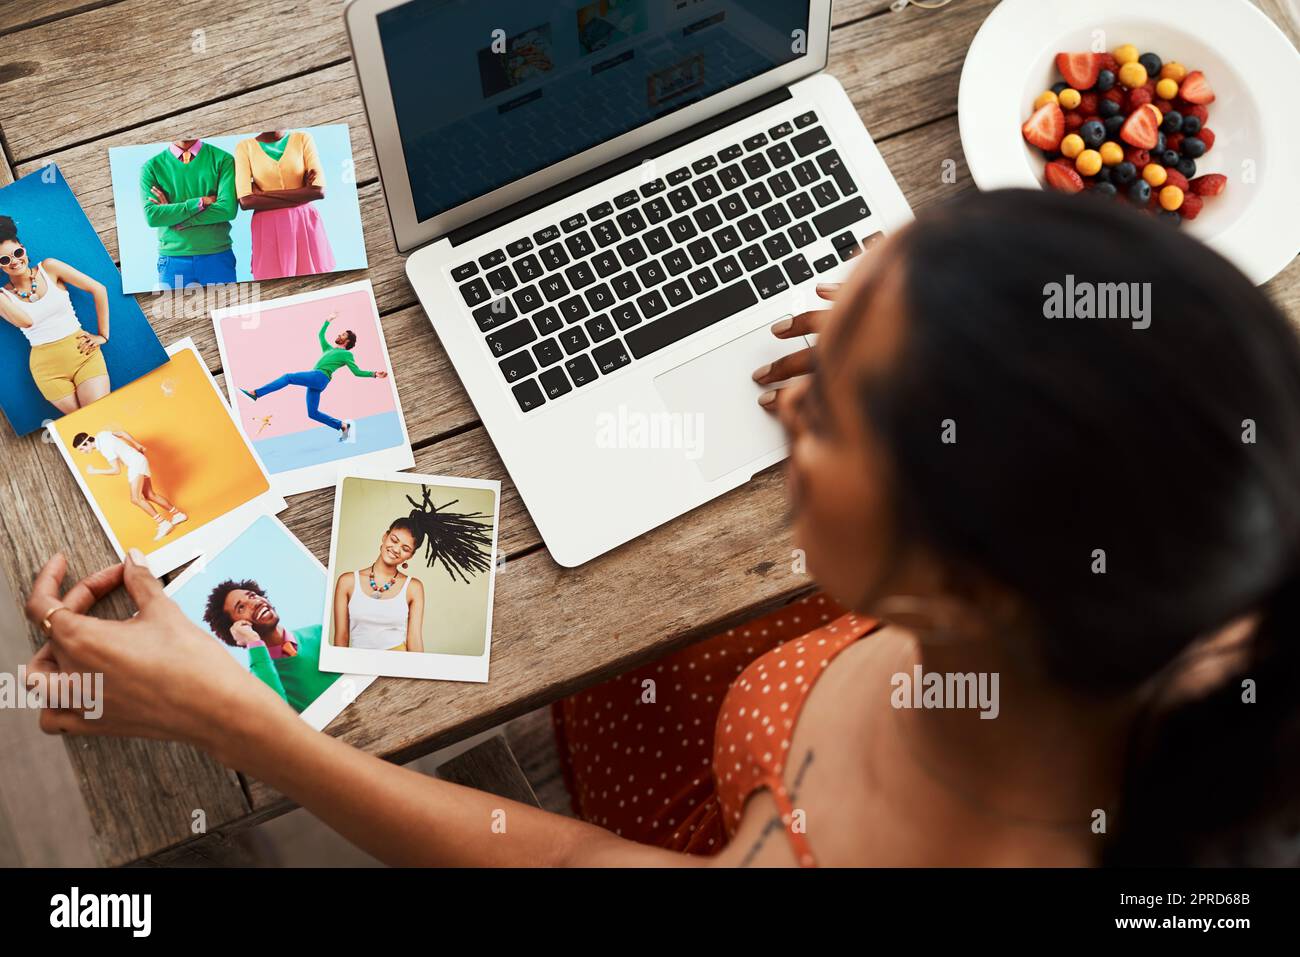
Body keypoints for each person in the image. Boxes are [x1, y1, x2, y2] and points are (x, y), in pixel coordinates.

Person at [22, 190, 1300, 867]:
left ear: (969, 589)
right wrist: (942, 354)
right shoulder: (1215, 555)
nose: (795, 346)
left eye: (836, 409)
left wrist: (237, 721)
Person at [0, 215, 111, 414]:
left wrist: (103, 335)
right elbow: (26, 322)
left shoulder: (50, 268)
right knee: (85, 427)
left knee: (100, 415)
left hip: (83, 353)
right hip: (47, 370)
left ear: (23, 248)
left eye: (17, 253)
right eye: (5, 259)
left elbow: (99, 289)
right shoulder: (3, 297)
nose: (15, 261)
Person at [241, 312, 389, 443]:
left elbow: (356, 372)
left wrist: (374, 374)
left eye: (343, 334)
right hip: (317, 381)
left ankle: (256, 393)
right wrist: (328, 320)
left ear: (348, 341)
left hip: (319, 377)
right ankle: (342, 426)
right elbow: (320, 335)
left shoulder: (347, 354)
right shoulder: (328, 349)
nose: (339, 335)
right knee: (312, 413)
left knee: (288, 377)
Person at [202, 579, 338, 714]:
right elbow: (281, 718)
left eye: (252, 595)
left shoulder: (321, 632)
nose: (255, 603)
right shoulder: (257, 683)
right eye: (241, 607)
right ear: (235, 629)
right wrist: (253, 641)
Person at [234, 130, 337, 281]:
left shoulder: (303, 138)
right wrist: (303, 192)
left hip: (304, 223)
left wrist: (261, 196)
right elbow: (246, 201)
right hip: (267, 228)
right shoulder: (245, 147)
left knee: (316, 284)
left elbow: (318, 191)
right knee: (276, 288)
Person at [139, 138, 239, 288]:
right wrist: (199, 203)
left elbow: (227, 210)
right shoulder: (151, 167)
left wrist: (175, 217)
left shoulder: (223, 159)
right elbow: (153, 216)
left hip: (217, 255)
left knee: (227, 310)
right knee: (176, 312)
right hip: (173, 259)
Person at [72, 429, 187, 542]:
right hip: (139, 460)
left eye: (82, 448)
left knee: (135, 499)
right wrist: (137, 444)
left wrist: (95, 471)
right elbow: (121, 433)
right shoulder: (102, 434)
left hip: (135, 464)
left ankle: (163, 523)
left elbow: (116, 470)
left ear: (87, 443)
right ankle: (178, 514)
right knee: (149, 495)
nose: (83, 451)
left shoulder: (105, 449)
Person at [332, 519, 426, 653]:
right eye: (394, 540)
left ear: (410, 556)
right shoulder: (347, 581)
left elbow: (415, 639)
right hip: (359, 664)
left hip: (398, 664)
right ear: (384, 536)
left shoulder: (413, 587)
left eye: (405, 549)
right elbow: (341, 638)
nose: (396, 549)